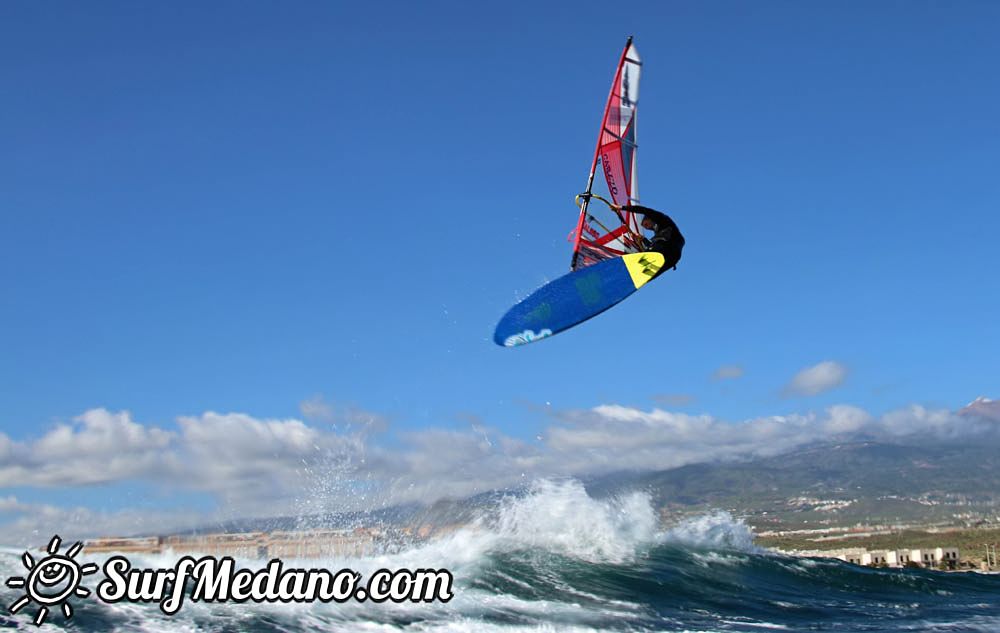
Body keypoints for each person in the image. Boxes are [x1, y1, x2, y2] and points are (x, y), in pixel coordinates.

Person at [611, 203, 685, 274]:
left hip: (671, 246)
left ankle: (631, 267)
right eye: (645, 227)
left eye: (646, 224)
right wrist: (642, 239)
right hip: (671, 258)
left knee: (651, 247)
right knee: (650, 274)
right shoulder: (658, 235)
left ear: (649, 218)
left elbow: (643, 210)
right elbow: (652, 245)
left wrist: (621, 208)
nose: (647, 228)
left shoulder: (661, 219)